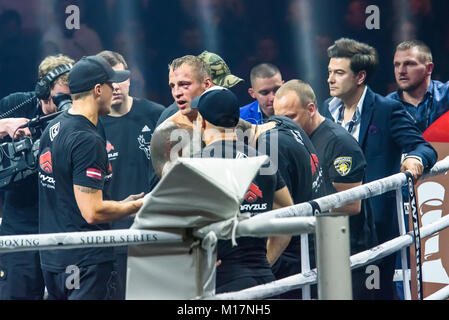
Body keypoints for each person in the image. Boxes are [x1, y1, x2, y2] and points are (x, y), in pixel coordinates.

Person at [321, 38, 437, 299]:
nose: (330, 79)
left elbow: (424, 148)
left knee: (375, 293)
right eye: (329, 72)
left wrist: (414, 161)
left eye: (339, 73)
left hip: (376, 225)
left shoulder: (386, 109)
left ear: (360, 76)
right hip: (334, 222)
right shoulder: (326, 112)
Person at [38, 55, 143, 300]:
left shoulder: (54, 127)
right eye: (110, 84)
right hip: (86, 262)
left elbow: (66, 195)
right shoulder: (87, 139)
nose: (115, 89)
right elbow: (92, 212)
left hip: (54, 261)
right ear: (98, 90)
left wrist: (121, 204)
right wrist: (139, 206)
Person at [273, 79, 377, 299]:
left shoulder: (339, 142)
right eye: (278, 119)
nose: (284, 124)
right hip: (315, 248)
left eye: (290, 117)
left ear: (311, 109)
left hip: (347, 250)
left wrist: (296, 212)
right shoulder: (292, 140)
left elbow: (350, 203)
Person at [192, 86, 293, 294]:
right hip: (264, 279)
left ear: (202, 122)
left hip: (223, 283)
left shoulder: (195, 164)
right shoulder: (263, 161)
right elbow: (289, 219)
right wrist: (264, 261)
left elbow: (174, 228)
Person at [0, 54, 74, 300]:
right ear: (42, 91)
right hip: (21, 221)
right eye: (61, 96)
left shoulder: (78, 116)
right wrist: (4, 126)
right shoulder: (17, 104)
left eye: (71, 96)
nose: (68, 103)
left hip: (62, 222)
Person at [97, 50, 164, 300]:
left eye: (120, 78)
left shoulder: (158, 115)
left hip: (157, 231)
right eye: (107, 80)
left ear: (130, 79)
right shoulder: (91, 125)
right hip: (112, 236)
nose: (115, 86)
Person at [155, 51, 243, 128]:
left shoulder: (219, 111)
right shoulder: (169, 120)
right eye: (172, 86)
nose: (176, 93)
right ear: (207, 84)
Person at [387, 40, 449, 133]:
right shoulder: (385, 106)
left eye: (409, 64)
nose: (401, 71)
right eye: (397, 65)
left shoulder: (446, 94)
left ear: (429, 68)